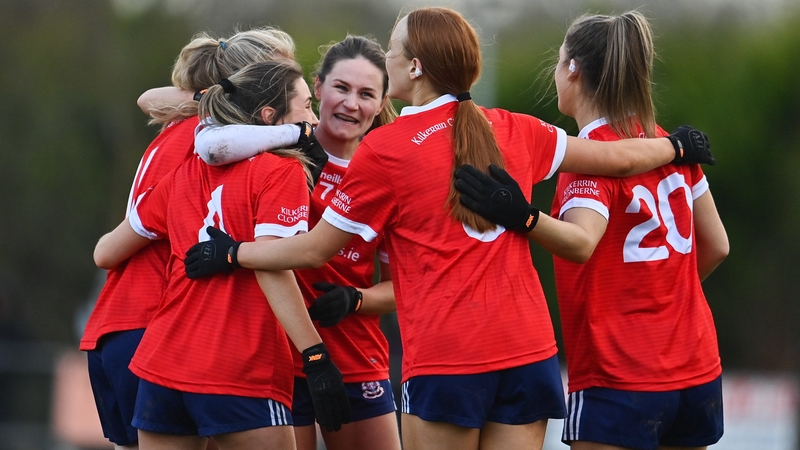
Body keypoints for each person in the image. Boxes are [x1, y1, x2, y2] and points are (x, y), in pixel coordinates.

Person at [182, 7, 716, 450]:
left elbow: (315, 249)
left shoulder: (386, 149)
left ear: (414, 67)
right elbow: (619, 159)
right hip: (529, 353)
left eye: (391, 49)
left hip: (449, 357)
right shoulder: (515, 126)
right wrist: (676, 147)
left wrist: (234, 254)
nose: (383, 58)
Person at [455, 11, 728, 450]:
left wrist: (522, 216)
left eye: (560, 60)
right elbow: (718, 245)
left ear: (574, 70)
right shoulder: (669, 144)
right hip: (696, 368)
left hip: (620, 375)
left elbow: (582, 242)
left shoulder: (591, 156)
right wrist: (663, 298)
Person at [93, 59, 352, 450]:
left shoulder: (182, 174)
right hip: (239, 364)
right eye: (305, 106)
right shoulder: (280, 173)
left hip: (161, 366)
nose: (313, 119)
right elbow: (273, 269)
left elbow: (105, 251)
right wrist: (315, 356)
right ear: (271, 117)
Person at [190, 35, 401, 450]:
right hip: (276, 359)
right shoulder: (277, 153)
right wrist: (291, 133)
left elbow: (402, 287)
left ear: (381, 102)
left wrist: (355, 299)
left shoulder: (387, 173)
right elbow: (208, 139)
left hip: (357, 357)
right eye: (341, 88)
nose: (351, 104)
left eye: (366, 94)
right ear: (317, 87)